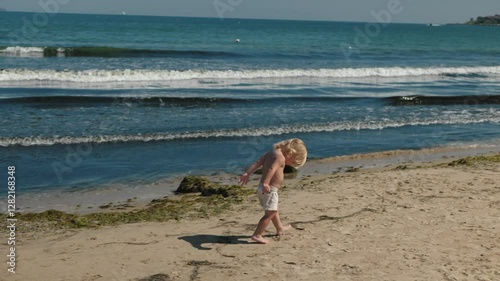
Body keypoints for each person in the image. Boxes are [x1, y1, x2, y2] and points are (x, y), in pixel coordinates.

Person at [239, 138, 307, 244]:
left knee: (274, 210)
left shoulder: (269, 153)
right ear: (290, 152)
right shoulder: (280, 158)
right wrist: (266, 183)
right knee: (270, 213)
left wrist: (247, 173)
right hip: (269, 189)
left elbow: (257, 163)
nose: (291, 164)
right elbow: (272, 169)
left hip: (262, 188)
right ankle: (257, 234)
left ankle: (280, 228)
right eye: (293, 161)